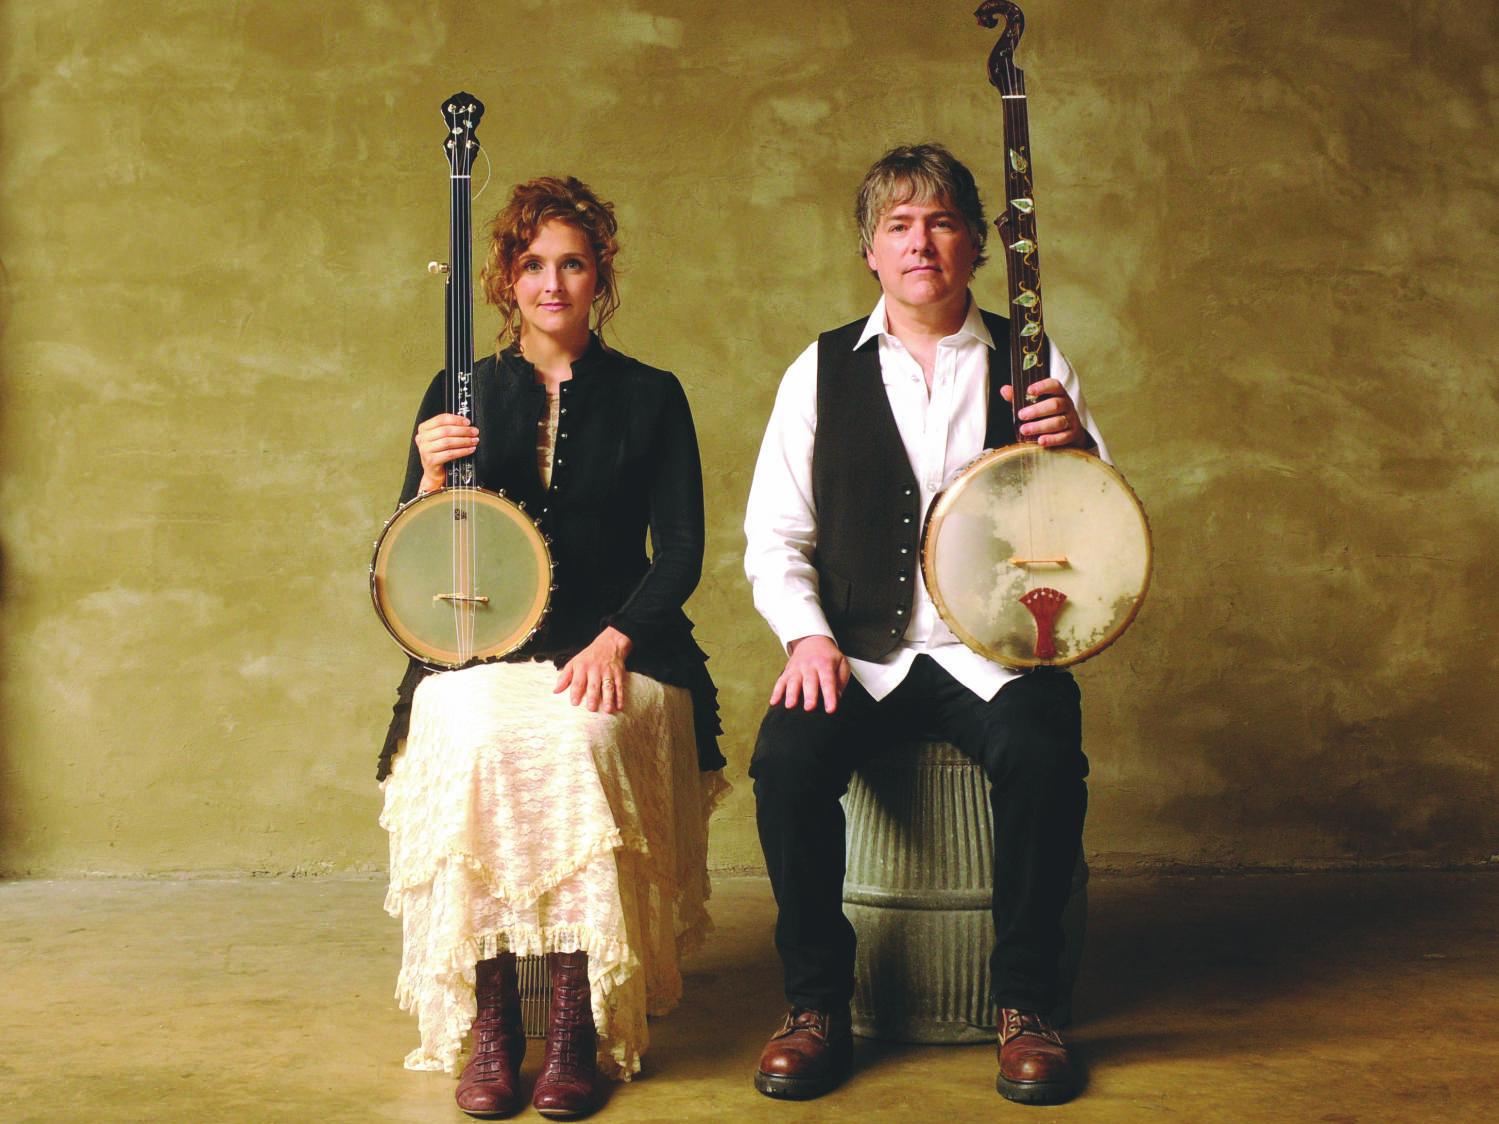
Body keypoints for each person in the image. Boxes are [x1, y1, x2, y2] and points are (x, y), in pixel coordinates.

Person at [743, 143, 1108, 1107]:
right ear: (869, 250)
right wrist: (807, 636)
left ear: (976, 245)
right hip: (860, 653)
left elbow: (1091, 521)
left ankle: (1027, 1006)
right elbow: (774, 535)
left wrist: (1076, 445)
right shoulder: (818, 370)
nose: (921, 243)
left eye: (941, 221)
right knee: (784, 761)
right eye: (898, 225)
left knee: (1042, 753)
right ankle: (815, 1004)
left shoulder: (1031, 360)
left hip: (993, 655)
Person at [377, 175, 728, 1119]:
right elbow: (408, 558)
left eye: (572, 263)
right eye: (532, 264)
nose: (551, 283)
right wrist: (424, 474)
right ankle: (495, 1029)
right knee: (478, 739)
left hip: (625, 642)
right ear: (505, 278)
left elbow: (684, 551)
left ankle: (574, 1027)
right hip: (479, 652)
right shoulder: (462, 392)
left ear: (599, 275)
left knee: (579, 740)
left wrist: (618, 639)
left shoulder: (653, 396)